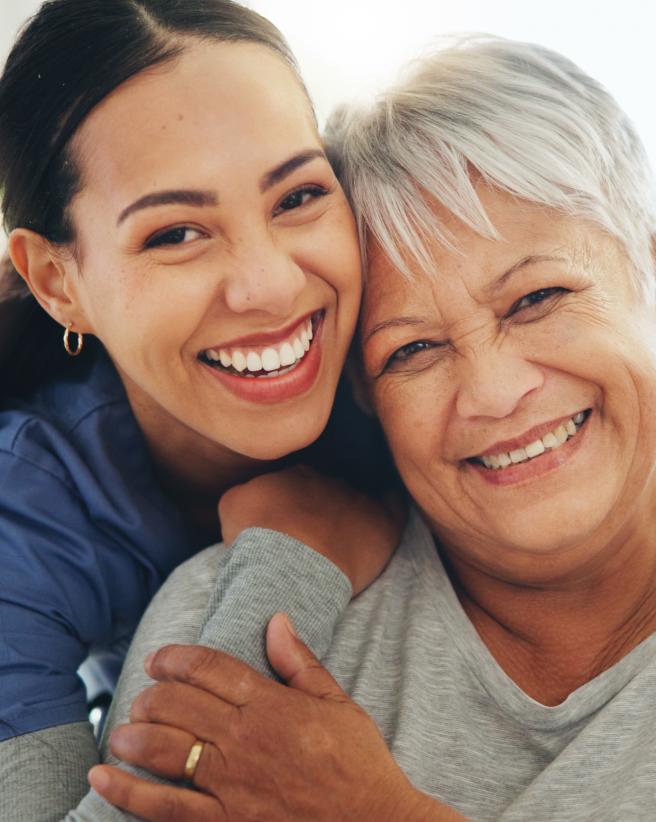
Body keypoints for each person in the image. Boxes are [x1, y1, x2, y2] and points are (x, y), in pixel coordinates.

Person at [86, 36, 656, 821]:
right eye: (413, 350)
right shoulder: (240, 610)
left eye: (537, 299)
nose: (492, 394)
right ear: (362, 390)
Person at [0, 1, 400, 818]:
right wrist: (292, 565)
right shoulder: (22, 514)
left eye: (296, 197)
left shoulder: (424, 361)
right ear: (56, 282)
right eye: (176, 233)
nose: (273, 287)